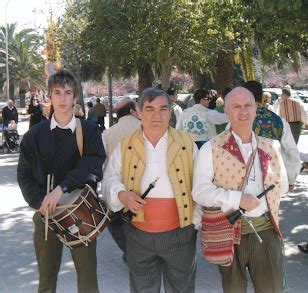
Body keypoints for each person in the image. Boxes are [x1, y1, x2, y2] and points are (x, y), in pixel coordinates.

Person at [102, 87, 200, 293]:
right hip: (138, 235)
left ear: (171, 111)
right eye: (149, 109)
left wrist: (196, 223)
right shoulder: (125, 145)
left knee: (182, 288)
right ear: (138, 112)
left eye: (163, 109)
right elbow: (109, 178)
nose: (157, 115)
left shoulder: (187, 143)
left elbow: (201, 185)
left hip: (181, 235)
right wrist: (122, 194)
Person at [192, 87, 289, 293]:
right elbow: (199, 192)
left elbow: (283, 186)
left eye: (248, 105)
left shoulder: (271, 146)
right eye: (236, 106)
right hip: (228, 234)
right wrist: (237, 199)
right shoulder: (211, 148)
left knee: (271, 289)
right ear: (226, 111)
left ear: (256, 109)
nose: (243, 111)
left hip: (266, 231)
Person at [17, 69, 106, 293]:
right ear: (49, 96)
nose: (63, 98)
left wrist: (62, 188)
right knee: (46, 282)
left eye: (68, 92)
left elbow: (94, 163)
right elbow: (24, 176)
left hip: (82, 214)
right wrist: (40, 202)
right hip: (45, 215)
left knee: (88, 282)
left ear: (75, 96)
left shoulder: (88, 130)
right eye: (57, 92)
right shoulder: (34, 135)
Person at [101, 97, 140, 260]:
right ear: (132, 111)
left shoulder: (108, 133)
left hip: (118, 188)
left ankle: (130, 253)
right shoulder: (145, 127)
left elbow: (103, 162)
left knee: (116, 222)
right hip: (142, 186)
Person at [244, 80, 301, 190]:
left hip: (244, 182)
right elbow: (291, 151)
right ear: (261, 96)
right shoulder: (279, 121)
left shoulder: (236, 120)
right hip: (273, 180)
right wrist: (290, 179)